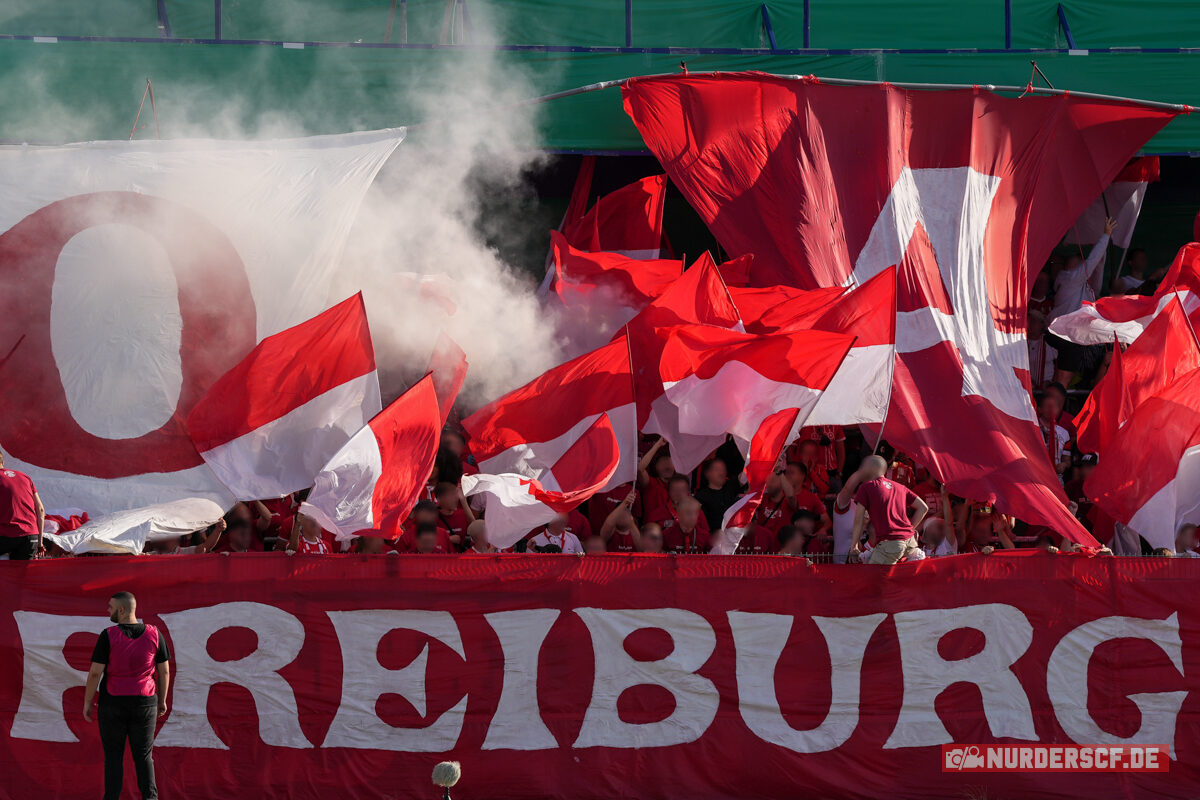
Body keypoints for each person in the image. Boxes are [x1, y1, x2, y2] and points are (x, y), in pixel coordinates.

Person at [83, 592, 170, 800]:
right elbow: (164, 671)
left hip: (112, 703)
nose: (108, 610)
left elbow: (95, 672)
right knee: (144, 757)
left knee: (113, 757)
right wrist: (162, 700)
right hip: (145, 701)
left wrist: (87, 702)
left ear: (121, 610)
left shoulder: (108, 635)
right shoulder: (155, 633)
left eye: (110, 607)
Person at [1047, 218, 1114, 384]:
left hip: (1075, 336)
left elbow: (1097, 269)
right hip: (1061, 334)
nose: (1081, 262)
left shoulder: (1084, 286)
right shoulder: (1067, 278)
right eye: (1078, 261)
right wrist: (1105, 236)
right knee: (1063, 378)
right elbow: (1090, 264)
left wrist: (1101, 251)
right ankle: (1059, 397)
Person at [845, 455, 928, 565]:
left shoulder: (866, 487)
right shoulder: (900, 487)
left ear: (871, 469)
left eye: (863, 467)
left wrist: (854, 546)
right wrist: (907, 531)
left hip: (891, 544)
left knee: (872, 578)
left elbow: (858, 519)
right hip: (910, 542)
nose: (861, 470)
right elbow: (923, 507)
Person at [0, 453, 45, 560]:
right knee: (22, 575)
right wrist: (40, 543)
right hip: (30, 536)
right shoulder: (25, 477)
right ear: (3, 462)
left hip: (5, 536)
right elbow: (41, 510)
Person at [694, 458, 741, 532]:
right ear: (707, 473)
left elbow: (745, 475)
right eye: (717, 469)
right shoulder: (701, 497)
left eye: (723, 469)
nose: (721, 473)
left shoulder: (730, 487)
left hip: (733, 536)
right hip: (713, 539)